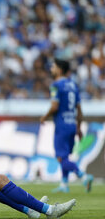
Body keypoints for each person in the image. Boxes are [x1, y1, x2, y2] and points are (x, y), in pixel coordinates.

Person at [40, 58, 93, 193]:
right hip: (72, 125)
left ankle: (83, 175)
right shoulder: (73, 85)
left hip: (62, 125)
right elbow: (79, 109)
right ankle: (64, 184)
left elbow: (54, 107)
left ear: (59, 69)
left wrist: (44, 117)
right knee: (66, 156)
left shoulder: (56, 85)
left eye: (53, 67)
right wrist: (79, 127)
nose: (51, 69)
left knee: (60, 157)